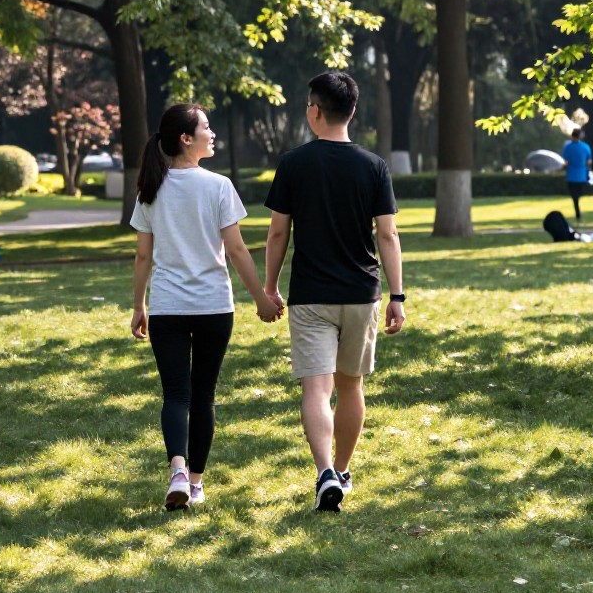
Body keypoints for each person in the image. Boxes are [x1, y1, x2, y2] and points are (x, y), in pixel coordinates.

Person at [264, 71, 405, 512]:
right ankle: (341, 472)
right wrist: (397, 296)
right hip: (361, 293)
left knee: (315, 390)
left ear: (315, 110)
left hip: (310, 294)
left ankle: (324, 470)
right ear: (353, 111)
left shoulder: (293, 164)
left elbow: (277, 234)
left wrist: (269, 286)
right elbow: (387, 235)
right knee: (352, 387)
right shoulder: (373, 166)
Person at [130, 104, 280, 510]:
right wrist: (261, 300)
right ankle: (194, 484)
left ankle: (177, 469)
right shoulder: (218, 186)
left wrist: (139, 306)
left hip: (166, 308)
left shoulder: (150, 189)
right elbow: (236, 250)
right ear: (185, 138)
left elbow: (143, 257)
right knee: (204, 396)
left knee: (176, 395)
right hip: (214, 307)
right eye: (206, 128)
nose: (212, 134)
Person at [561, 128, 593, 222]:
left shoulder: (568, 147)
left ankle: (577, 211)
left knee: (574, 195)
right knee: (578, 194)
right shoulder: (586, 147)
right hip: (581, 175)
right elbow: (589, 161)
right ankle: (578, 212)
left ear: (572, 136)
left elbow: (565, 161)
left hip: (571, 175)